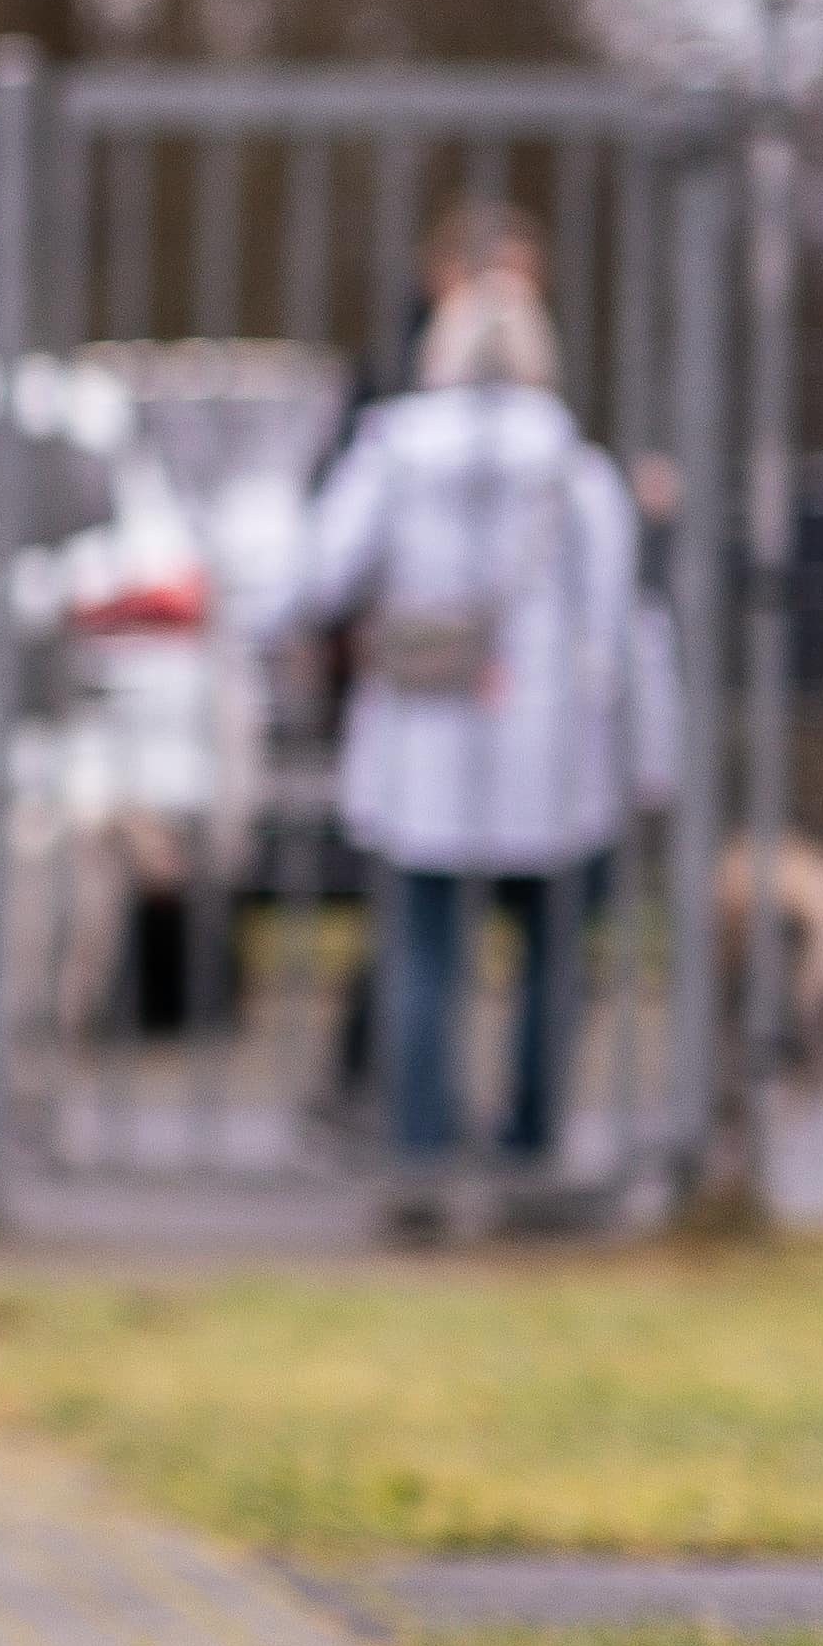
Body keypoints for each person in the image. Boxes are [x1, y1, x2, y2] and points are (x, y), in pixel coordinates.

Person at [267, 272, 653, 1229]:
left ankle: (421, 1161)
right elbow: (617, 620)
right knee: (550, 960)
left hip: (421, 746)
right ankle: (529, 1158)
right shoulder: (577, 469)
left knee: (421, 957)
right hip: (551, 751)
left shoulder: (391, 454)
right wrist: (643, 754)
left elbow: (317, 576)